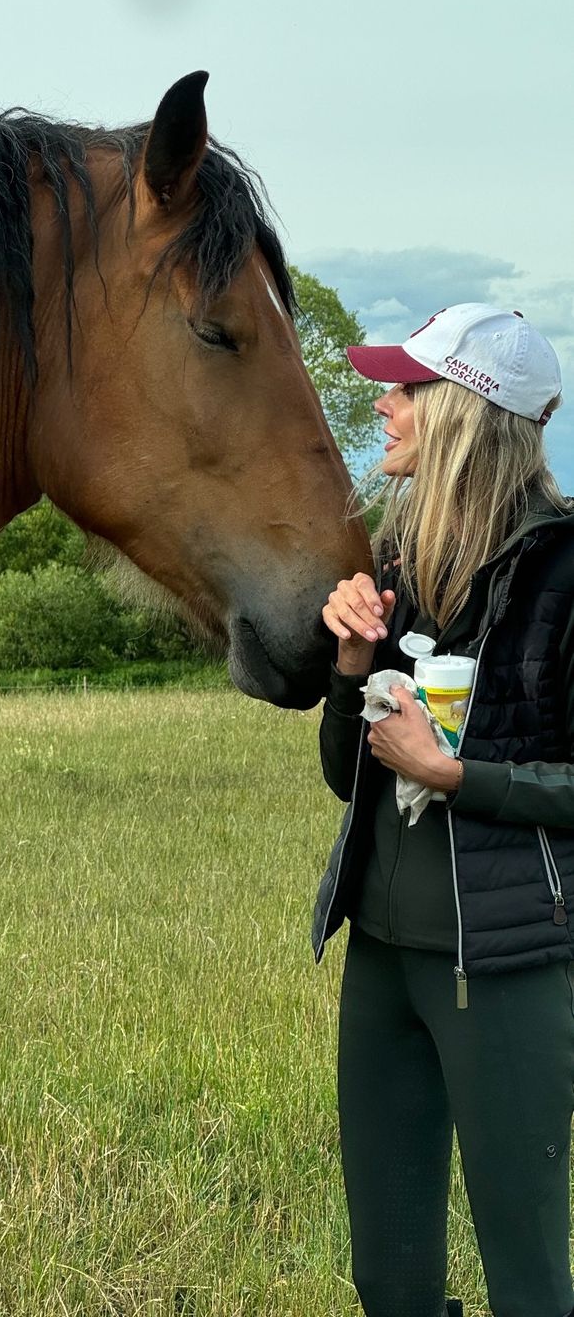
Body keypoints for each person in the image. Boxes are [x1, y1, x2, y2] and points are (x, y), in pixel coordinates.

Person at [311, 304, 574, 1317]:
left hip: (504, 969)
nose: (381, 405)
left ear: (464, 411)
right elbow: (350, 776)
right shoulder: (398, 567)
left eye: (403, 389)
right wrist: (348, 667)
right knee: (389, 1279)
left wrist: (464, 777)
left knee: (527, 1275)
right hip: (380, 958)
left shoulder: (563, 572)